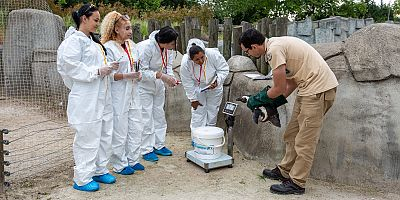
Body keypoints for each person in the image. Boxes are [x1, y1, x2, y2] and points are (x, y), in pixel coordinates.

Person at [239, 28, 338, 195]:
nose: (248, 54)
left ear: (255, 46)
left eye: (247, 51)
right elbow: (290, 83)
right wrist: (272, 105)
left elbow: (278, 88)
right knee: (292, 133)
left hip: (318, 91)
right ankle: (285, 170)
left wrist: (256, 100)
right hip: (307, 90)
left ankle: (297, 183)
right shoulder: (277, 45)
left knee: (305, 141)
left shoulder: (274, 50)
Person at [57, 4, 117, 192]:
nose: (98, 24)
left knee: (104, 133)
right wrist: (97, 71)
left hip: (102, 95)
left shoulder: (93, 42)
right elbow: (69, 66)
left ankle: (99, 169)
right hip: (86, 97)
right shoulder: (74, 41)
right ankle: (82, 178)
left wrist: (108, 67)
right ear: (84, 18)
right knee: (87, 137)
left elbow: (96, 65)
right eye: (96, 20)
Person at [100, 11, 144, 175]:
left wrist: (136, 75)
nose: (130, 31)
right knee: (120, 128)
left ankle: (133, 159)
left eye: (130, 27)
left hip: (133, 91)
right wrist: (126, 75)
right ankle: (119, 164)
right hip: (119, 94)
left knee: (136, 126)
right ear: (116, 29)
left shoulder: (132, 45)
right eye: (127, 28)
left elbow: (137, 64)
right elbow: (109, 74)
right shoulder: (109, 47)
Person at [136, 26, 179, 162]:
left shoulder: (168, 50)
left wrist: (171, 79)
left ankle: (159, 145)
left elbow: (168, 67)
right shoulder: (146, 47)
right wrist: (161, 76)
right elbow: (141, 71)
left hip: (158, 85)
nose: (173, 46)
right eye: (171, 43)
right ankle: (146, 149)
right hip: (144, 87)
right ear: (164, 41)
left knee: (159, 115)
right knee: (146, 117)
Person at [180, 38, 229, 134]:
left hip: (214, 86)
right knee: (198, 112)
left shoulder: (213, 54)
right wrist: (193, 99)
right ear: (191, 59)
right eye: (196, 60)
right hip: (197, 87)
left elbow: (224, 69)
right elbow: (187, 82)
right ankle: (197, 139)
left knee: (212, 112)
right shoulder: (185, 63)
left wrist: (217, 81)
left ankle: (209, 138)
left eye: (202, 57)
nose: (201, 61)